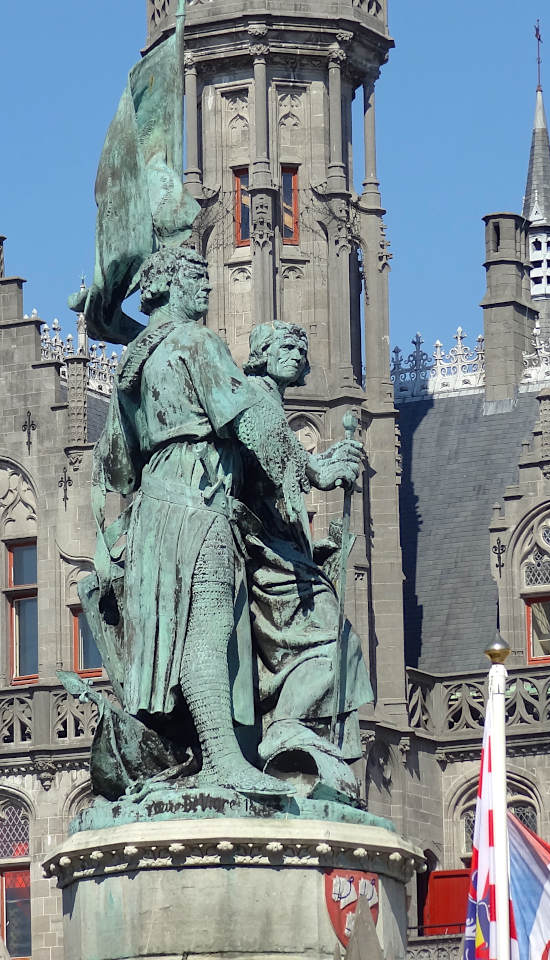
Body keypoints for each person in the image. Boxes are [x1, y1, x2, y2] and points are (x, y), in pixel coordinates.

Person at [82, 247, 362, 801]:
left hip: (156, 514)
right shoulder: (195, 342)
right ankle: (223, 762)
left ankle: (205, 755)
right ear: (168, 286)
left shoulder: (135, 362)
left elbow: (117, 462)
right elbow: (256, 420)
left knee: (185, 637)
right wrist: (312, 473)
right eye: (195, 279)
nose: (206, 291)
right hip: (198, 501)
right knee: (207, 637)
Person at [239, 320, 373, 800]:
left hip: (282, 550)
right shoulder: (255, 395)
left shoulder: (268, 401)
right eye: (284, 345)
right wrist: (323, 467)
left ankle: (290, 724)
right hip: (262, 552)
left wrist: (318, 549)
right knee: (332, 639)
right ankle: (286, 727)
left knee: (337, 640)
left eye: (301, 346)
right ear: (261, 354)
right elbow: (279, 461)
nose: (295, 353)